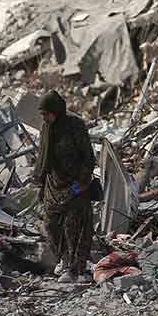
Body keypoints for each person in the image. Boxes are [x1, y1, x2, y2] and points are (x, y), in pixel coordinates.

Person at [31, 90, 97, 283]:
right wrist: (41, 185)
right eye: (42, 114)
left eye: (46, 113)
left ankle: (75, 268)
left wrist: (82, 182)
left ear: (56, 110)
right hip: (53, 184)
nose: (44, 117)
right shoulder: (47, 128)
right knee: (50, 224)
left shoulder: (75, 126)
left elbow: (88, 157)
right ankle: (63, 257)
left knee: (73, 227)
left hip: (75, 184)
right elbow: (44, 158)